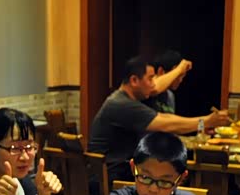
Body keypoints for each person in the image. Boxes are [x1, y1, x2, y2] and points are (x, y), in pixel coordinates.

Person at [88, 55, 230, 183]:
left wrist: (204, 122)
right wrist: (206, 121)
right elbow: (166, 124)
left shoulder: (129, 101)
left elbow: (164, 117)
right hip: (109, 176)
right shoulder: (121, 104)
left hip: (121, 170)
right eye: (150, 79)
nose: (153, 85)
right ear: (134, 80)